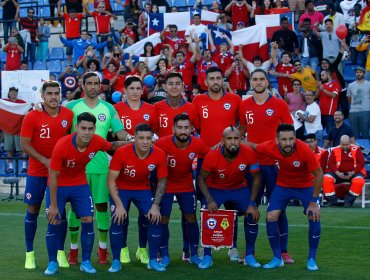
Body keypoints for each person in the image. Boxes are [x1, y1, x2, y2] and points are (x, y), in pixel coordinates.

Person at [44, 112, 125, 275]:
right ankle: (52, 262)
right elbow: (52, 176)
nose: (87, 132)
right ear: (76, 128)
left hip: (80, 184)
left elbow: (113, 145)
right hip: (59, 184)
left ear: (95, 129)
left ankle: (86, 262)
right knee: (54, 220)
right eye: (83, 128)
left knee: (88, 219)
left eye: (90, 128)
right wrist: (53, 205)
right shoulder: (62, 144)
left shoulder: (96, 141)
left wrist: (134, 142)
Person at [65, 72, 127, 265]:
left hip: (101, 167)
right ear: (82, 86)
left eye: (96, 83)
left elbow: (121, 134)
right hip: (76, 167)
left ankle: (102, 249)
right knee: (76, 209)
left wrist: (140, 135)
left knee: (101, 207)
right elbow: (62, 133)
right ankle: (73, 251)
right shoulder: (71, 107)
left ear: (100, 86)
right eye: (89, 83)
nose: (92, 86)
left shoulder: (109, 108)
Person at [248, 123, 323, 271]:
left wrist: (314, 202)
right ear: (277, 140)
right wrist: (233, 141)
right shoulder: (270, 147)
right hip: (283, 185)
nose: (288, 143)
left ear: (295, 138)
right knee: (271, 216)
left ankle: (312, 259)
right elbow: (254, 146)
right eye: (284, 139)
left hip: (305, 185)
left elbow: (319, 173)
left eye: (291, 139)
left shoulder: (304, 150)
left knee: (314, 215)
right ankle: (277, 258)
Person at [239, 69, 294, 264]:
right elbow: (242, 129)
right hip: (252, 164)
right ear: (250, 82)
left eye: (262, 79)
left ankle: (283, 251)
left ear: (267, 82)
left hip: (275, 164)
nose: (259, 82)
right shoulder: (244, 105)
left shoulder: (279, 104)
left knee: (278, 208)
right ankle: (249, 252)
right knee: (250, 207)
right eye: (255, 79)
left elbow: (290, 132)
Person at [20, 81, 74, 270]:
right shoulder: (32, 116)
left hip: (60, 172)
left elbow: (72, 139)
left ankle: (60, 253)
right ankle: (30, 253)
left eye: (56, 93)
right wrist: (45, 161)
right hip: (38, 171)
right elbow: (24, 144)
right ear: (42, 96)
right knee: (33, 209)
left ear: (61, 95)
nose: (53, 97)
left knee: (59, 211)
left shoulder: (68, 114)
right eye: (49, 93)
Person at [197, 126, 261, 269]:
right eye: (229, 138)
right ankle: (207, 255)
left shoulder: (248, 152)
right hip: (216, 189)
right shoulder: (212, 155)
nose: (233, 142)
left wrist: (252, 203)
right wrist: (209, 199)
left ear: (241, 139)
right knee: (207, 213)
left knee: (252, 214)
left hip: (239, 188)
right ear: (222, 140)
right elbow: (201, 178)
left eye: (236, 138)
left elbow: (257, 178)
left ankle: (249, 255)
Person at [107, 123, 168, 273]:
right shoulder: (122, 152)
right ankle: (116, 261)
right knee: (117, 218)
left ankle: (153, 260)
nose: (145, 141)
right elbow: (111, 180)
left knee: (154, 218)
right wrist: (119, 205)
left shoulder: (159, 153)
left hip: (142, 188)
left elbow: (162, 181)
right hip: (121, 188)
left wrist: (155, 206)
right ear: (134, 138)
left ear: (152, 139)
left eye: (148, 138)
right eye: (141, 138)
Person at [155, 113, 209, 267]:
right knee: (163, 218)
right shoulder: (162, 143)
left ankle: (192, 253)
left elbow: (212, 155)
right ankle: (164, 255)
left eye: (186, 127)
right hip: (166, 186)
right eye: (180, 128)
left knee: (191, 217)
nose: (183, 131)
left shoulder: (197, 144)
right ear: (173, 129)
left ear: (191, 129)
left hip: (186, 186)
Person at [113, 76, 157, 264]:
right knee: (121, 215)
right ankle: (123, 249)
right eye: (131, 88)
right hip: (122, 169)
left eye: (138, 88)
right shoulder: (116, 109)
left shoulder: (151, 109)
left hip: (145, 171)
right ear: (125, 90)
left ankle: (141, 249)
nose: (135, 91)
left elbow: (154, 136)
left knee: (145, 215)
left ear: (142, 90)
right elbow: (115, 133)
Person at [323, 135, 366, 207]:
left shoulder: (356, 149)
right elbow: (331, 163)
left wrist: (353, 172)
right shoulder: (335, 150)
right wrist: (337, 173)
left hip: (353, 173)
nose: (345, 146)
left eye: (347, 144)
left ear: (350, 143)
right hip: (338, 173)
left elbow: (361, 163)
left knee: (359, 181)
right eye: (343, 145)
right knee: (326, 179)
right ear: (340, 143)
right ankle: (333, 201)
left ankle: (348, 201)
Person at [154, 72, 199, 138]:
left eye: (177, 84)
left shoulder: (191, 108)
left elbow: (198, 129)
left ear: (182, 87)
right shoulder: (156, 107)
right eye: (171, 84)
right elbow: (153, 130)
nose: (174, 87)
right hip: (162, 148)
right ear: (165, 87)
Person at [3, 87, 27, 174]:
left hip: (18, 129)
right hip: (8, 129)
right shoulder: (4, 102)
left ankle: (24, 167)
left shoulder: (22, 103)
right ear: (9, 93)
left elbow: (28, 109)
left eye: (15, 92)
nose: (13, 94)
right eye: (12, 92)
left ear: (17, 94)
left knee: (22, 149)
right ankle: (10, 167)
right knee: (8, 149)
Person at [347, 66, 370, 140]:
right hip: (353, 112)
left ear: (364, 73)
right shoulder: (350, 85)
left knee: (365, 134)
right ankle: (356, 151)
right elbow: (349, 97)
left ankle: (367, 151)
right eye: (357, 72)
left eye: (360, 72)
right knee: (354, 135)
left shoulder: (369, 84)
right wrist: (354, 105)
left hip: (365, 111)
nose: (358, 74)